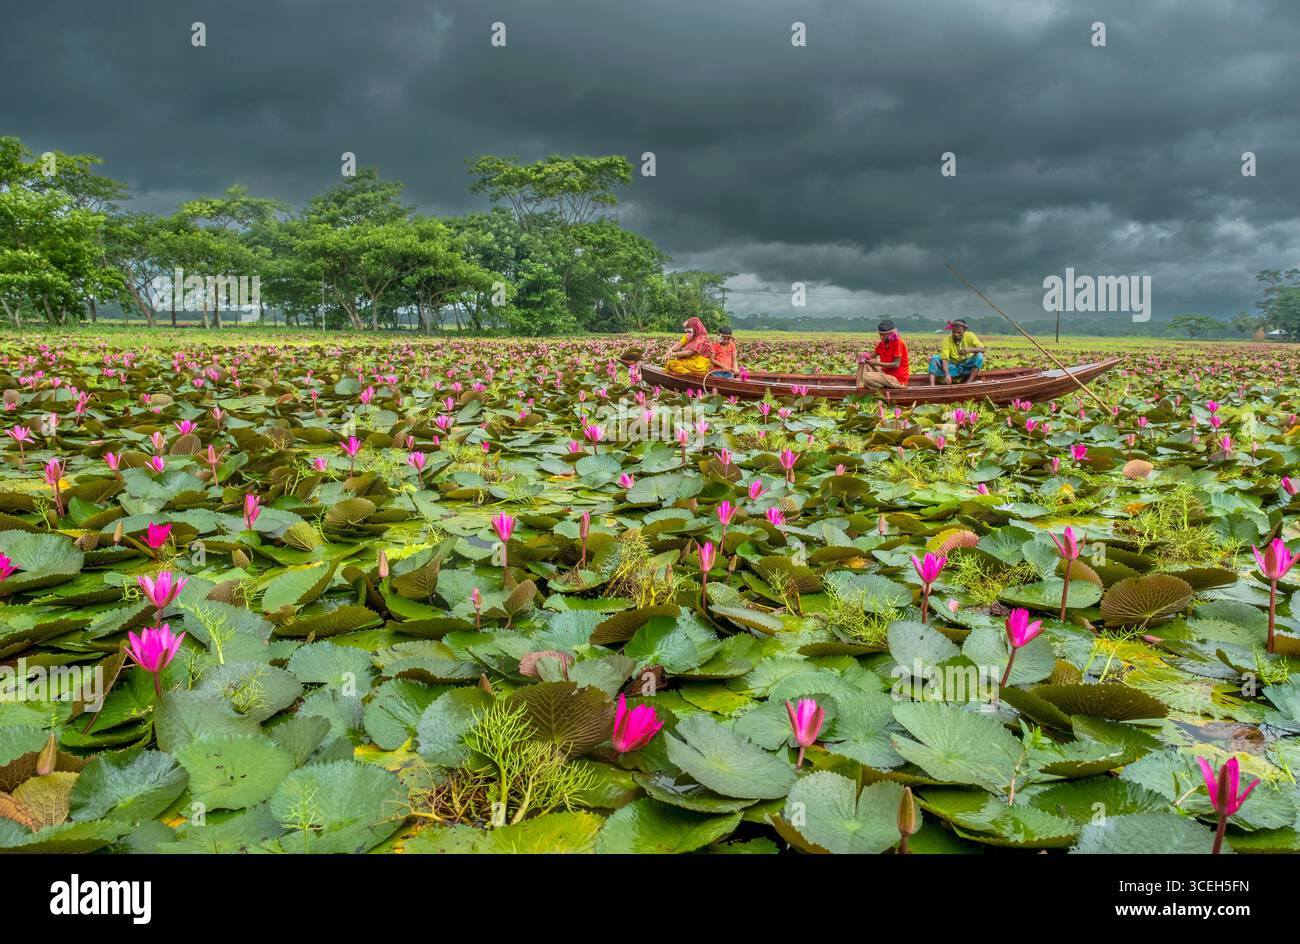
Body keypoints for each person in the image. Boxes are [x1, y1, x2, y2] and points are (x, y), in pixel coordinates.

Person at [928, 319, 985, 385]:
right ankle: (932, 386)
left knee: (979, 355)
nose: (956, 334)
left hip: (967, 366)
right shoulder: (946, 341)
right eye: (954, 332)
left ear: (964, 331)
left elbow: (982, 349)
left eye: (959, 332)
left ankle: (968, 382)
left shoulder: (970, 336)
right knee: (934, 358)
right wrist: (947, 374)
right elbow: (944, 359)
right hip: (953, 367)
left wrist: (969, 350)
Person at [856, 319, 909, 389]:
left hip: (897, 380)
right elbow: (871, 357)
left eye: (884, 335)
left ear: (891, 333)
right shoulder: (882, 344)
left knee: (867, 377)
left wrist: (876, 363)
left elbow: (896, 364)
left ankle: (876, 384)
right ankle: (865, 384)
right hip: (885, 375)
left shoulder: (897, 342)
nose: (881, 337)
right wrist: (863, 357)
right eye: (880, 334)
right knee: (865, 365)